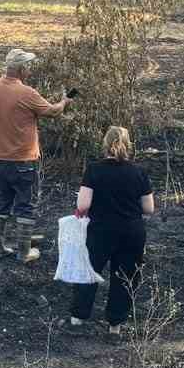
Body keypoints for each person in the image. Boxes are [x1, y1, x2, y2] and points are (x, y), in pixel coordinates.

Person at [0, 48, 70, 262]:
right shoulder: (27, 93)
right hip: (24, 161)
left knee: (0, 205)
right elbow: (53, 112)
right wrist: (64, 101)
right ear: (22, 68)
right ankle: (24, 252)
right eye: (28, 66)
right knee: (26, 205)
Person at [65, 125, 155, 337]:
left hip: (100, 231)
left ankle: (78, 317)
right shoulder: (139, 172)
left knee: (89, 272)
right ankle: (115, 325)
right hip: (131, 232)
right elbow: (149, 208)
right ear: (128, 145)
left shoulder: (94, 169)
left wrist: (81, 211)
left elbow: (84, 205)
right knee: (124, 277)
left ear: (105, 144)